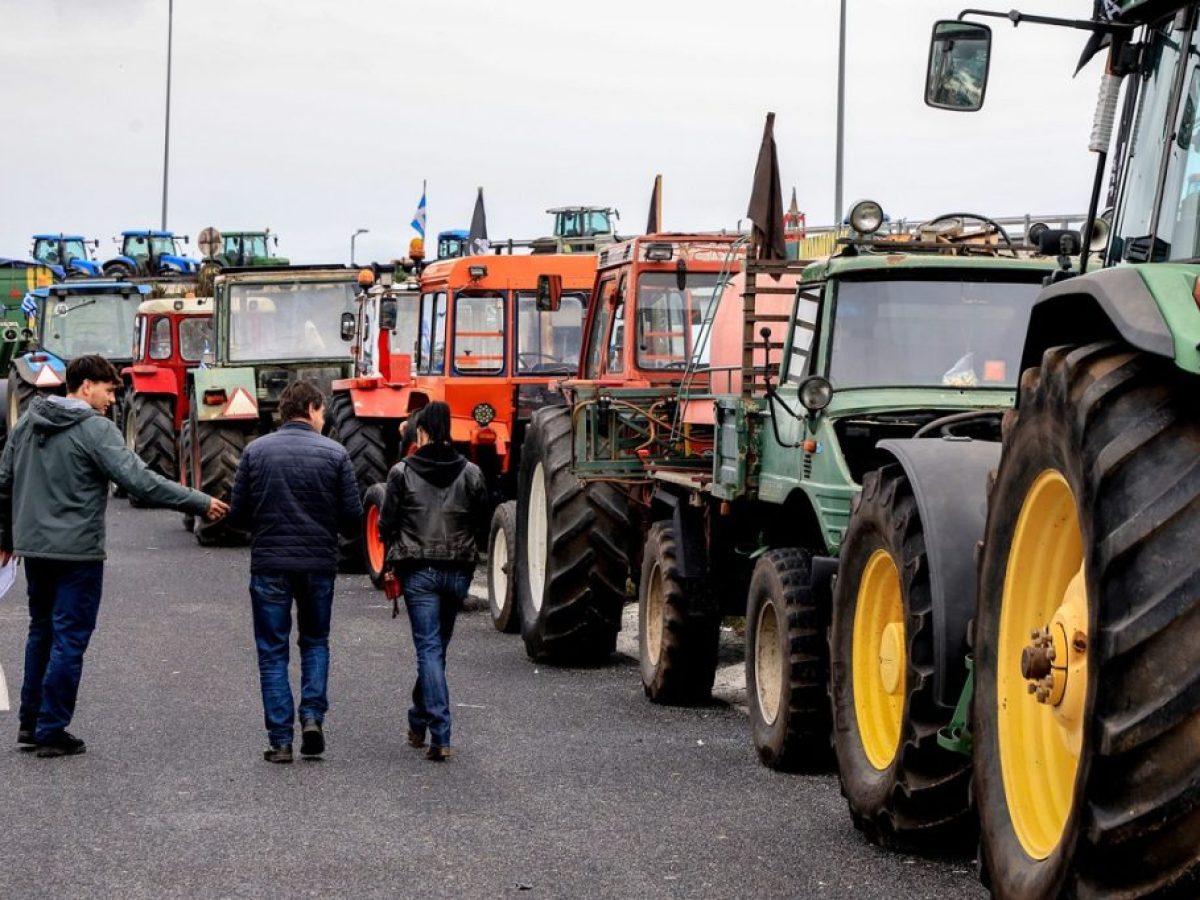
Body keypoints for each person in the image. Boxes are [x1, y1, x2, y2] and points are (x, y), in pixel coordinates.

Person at [0, 354, 228, 758]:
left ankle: (31, 723)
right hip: (77, 552)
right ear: (86, 386)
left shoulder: (26, 425)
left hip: (33, 549)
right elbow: (140, 480)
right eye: (108, 390)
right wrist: (198, 501)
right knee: (69, 638)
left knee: (42, 632)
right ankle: (52, 729)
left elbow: (3, 483)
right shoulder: (94, 429)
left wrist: (6, 538)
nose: (111, 399)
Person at [226, 381, 363, 763]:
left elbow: (237, 517)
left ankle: (281, 740)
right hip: (318, 565)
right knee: (315, 641)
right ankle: (312, 717)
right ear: (311, 407)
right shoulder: (336, 455)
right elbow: (353, 520)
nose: (324, 420)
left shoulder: (255, 452)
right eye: (322, 413)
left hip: (269, 565)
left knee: (272, 652)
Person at [378, 401, 487, 762]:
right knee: (436, 651)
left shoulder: (401, 473)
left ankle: (440, 734)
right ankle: (416, 721)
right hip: (458, 572)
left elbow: (386, 524)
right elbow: (482, 521)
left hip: (418, 572)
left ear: (421, 431)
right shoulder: (471, 472)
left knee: (429, 652)